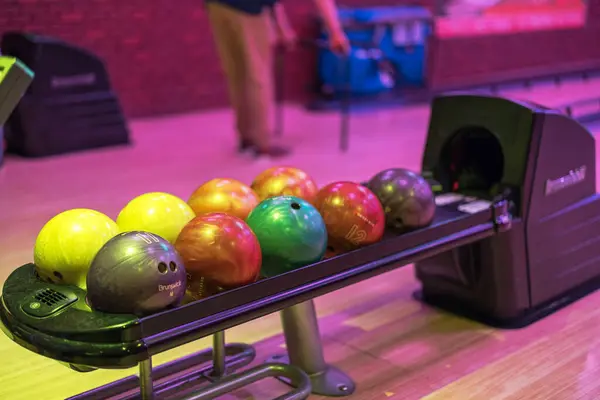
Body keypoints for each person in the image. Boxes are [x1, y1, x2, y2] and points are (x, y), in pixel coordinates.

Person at [206, 0, 350, 159]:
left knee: (237, 73)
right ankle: (260, 143)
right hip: (248, 7)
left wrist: (282, 27)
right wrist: (335, 32)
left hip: (217, 5)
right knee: (258, 74)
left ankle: (246, 138)